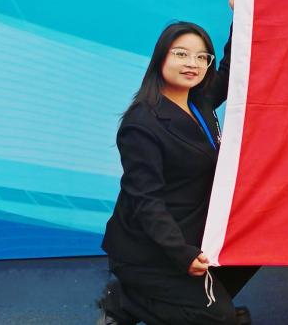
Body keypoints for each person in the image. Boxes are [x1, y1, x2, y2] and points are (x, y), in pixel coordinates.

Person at [99, 22, 259, 325]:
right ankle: (127, 300)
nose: (192, 63)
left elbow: (232, 68)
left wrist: (242, 15)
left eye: (201, 57)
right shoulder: (141, 124)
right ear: (161, 57)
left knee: (254, 246)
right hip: (150, 249)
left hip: (194, 232)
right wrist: (181, 254)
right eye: (181, 54)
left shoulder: (200, 100)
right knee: (221, 319)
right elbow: (146, 202)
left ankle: (176, 302)